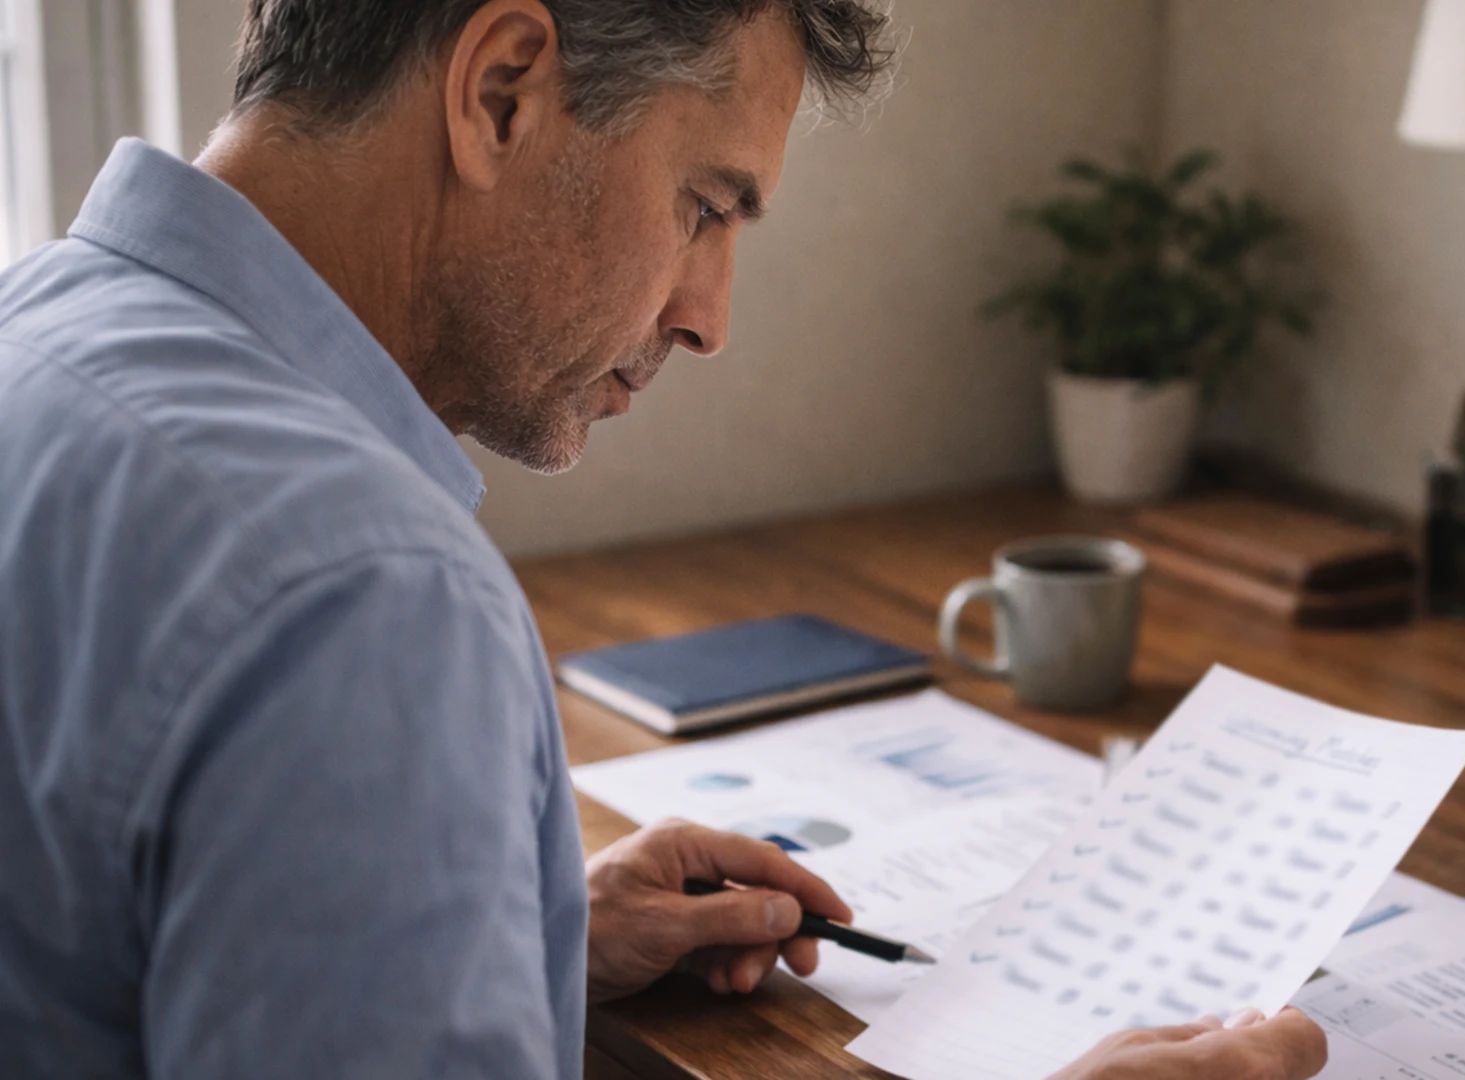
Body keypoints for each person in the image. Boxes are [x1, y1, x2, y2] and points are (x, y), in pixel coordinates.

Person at [0, 2, 1328, 1078]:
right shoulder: (366, 595)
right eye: (704, 205)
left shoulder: (32, 343)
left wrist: (516, 938)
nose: (710, 318)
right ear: (503, 92)